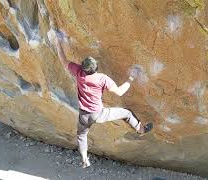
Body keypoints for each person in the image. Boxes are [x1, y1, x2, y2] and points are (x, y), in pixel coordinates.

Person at [52, 30, 153, 168]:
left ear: (83, 67)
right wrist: (132, 77)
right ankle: (141, 130)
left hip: (84, 115)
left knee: (82, 136)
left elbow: (63, 61)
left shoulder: (79, 72)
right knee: (127, 113)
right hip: (99, 114)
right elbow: (120, 92)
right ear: (96, 68)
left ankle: (84, 159)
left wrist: (58, 42)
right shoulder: (102, 79)